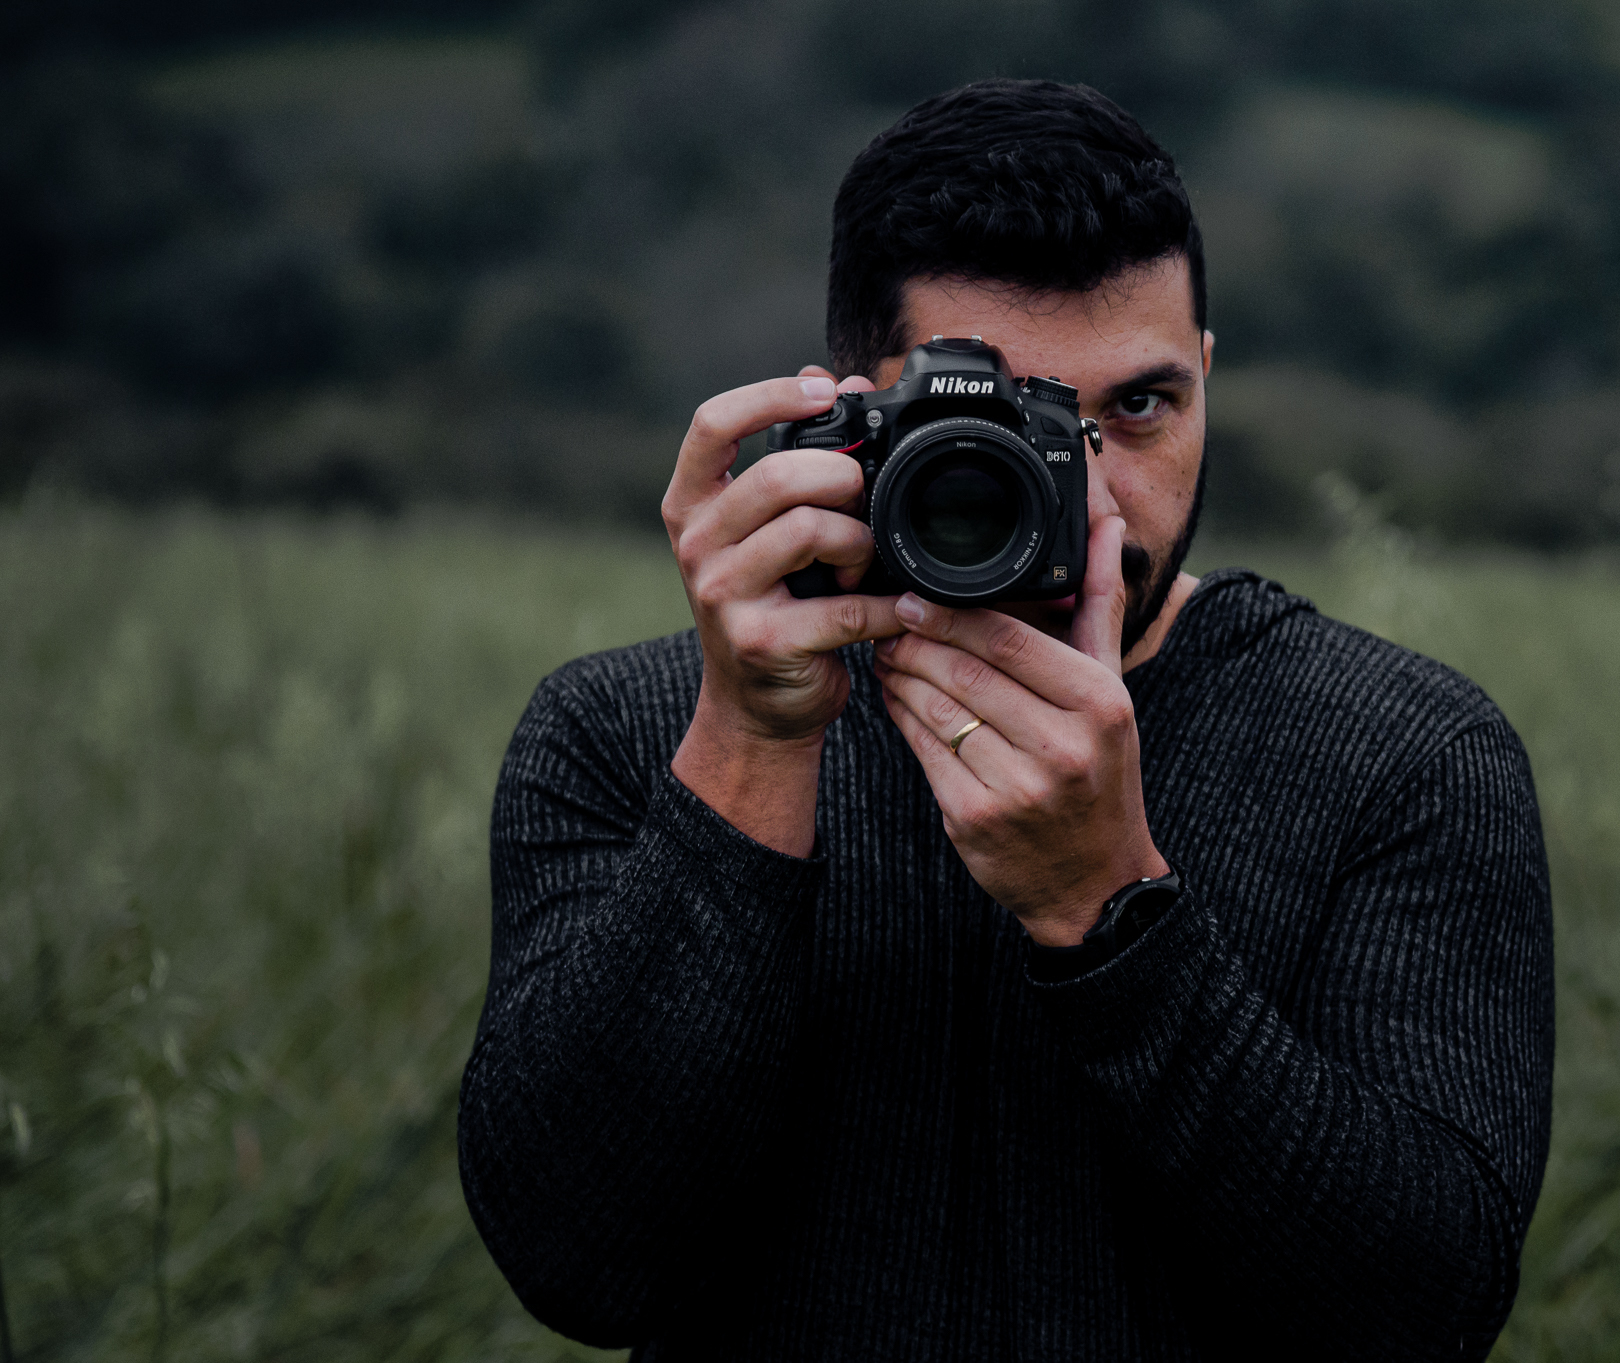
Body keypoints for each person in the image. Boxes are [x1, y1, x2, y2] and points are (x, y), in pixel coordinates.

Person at [458, 79, 1553, 1360]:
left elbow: (1423, 1313)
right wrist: (753, 748)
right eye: (1002, 425)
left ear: (1205, 377)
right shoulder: (621, 731)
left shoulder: (1406, 754)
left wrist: (1109, 910)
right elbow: (578, 1265)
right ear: (844, 414)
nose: (1084, 492)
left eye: (1137, 409)